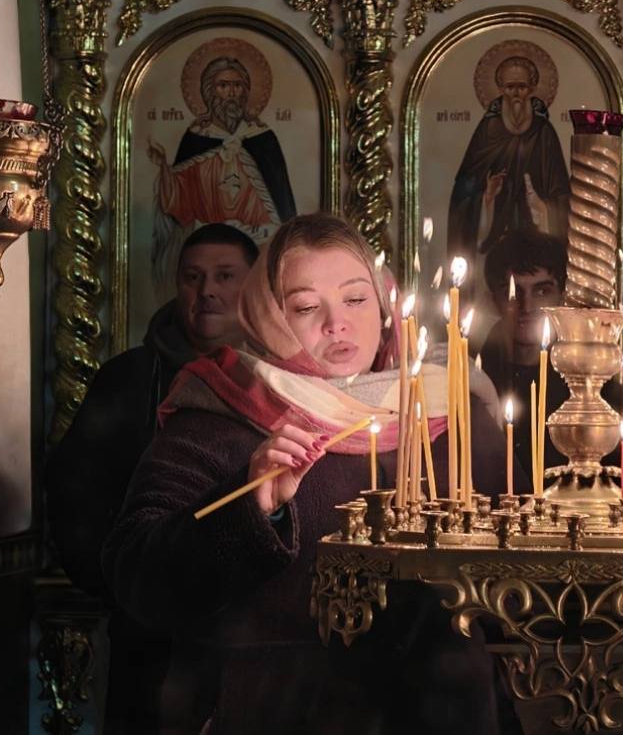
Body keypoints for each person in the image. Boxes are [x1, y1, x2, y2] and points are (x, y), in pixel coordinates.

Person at [102, 213, 515, 734]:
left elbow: (517, 574)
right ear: (268, 317)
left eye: (356, 299)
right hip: (276, 709)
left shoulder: (449, 411)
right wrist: (251, 506)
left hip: (439, 712)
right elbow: (136, 574)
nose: (336, 323)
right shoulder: (218, 413)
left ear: (385, 305)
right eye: (305, 307)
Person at [46, 222, 258, 735]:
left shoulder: (284, 382)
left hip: (252, 635)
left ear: (255, 288)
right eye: (193, 277)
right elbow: (73, 493)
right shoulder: (128, 379)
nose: (207, 290)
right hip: (149, 637)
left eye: (225, 276)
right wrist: (127, 587)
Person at [147, 55, 296, 290]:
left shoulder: (262, 138)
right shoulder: (197, 138)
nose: (232, 93)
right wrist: (164, 168)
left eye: (238, 85)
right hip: (208, 250)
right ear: (209, 92)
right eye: (224, 85)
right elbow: (178, 201)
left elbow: (282, 204)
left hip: (257, 248)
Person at [447, 54, 570, 277]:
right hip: (492, 245)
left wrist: (543, 209)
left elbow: (560, 193)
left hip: (537, 245)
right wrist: (487, 198)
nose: (515, 94)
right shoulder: (488, 130)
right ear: (501, 88)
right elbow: (464, 190)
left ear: (532, 88)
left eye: (521, 87)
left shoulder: (544, 133)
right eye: (510, 87)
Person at [478, 228, 570, 492]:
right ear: (493, 299)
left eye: (542, 291)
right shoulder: (472, 380)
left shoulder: (590, 385)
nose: (526, 307)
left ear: (562, 296)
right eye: (512, 292)